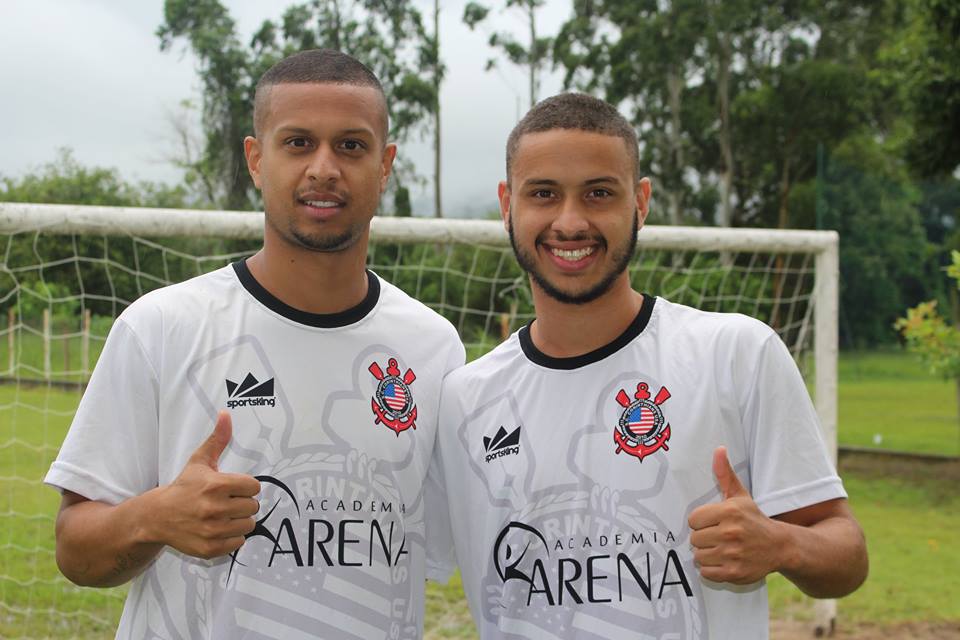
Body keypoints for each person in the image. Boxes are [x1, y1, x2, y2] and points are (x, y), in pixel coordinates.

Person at [45, 49, 464, 639]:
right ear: (256, 159)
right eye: (297, 143)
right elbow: (74, 551)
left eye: (351, 145)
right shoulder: (162, 326)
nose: (324, 168)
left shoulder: (434, 348)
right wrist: (155, 517)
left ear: (385, 164)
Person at [430, 93, 867, 639]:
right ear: (507, 204)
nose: (570, 222)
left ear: (640, 202)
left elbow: (846, 554)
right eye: (544, 193)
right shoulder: (463, 399)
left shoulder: (734, 353)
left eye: (598, 193)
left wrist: (783, 544)